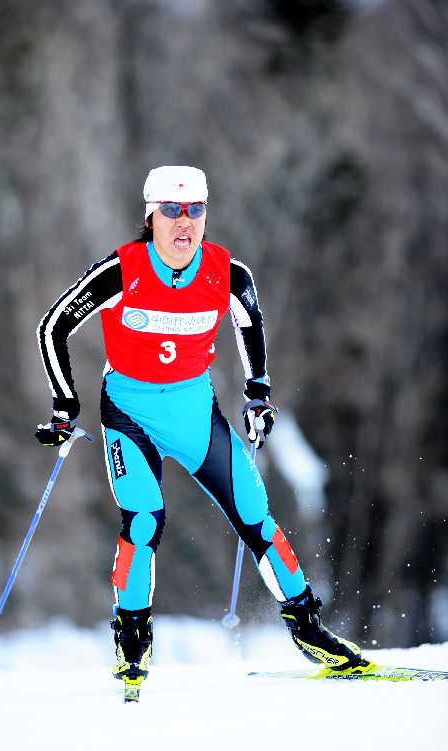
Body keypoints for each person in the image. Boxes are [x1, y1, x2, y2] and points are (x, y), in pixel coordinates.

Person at [36, 165, 362, 687]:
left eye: (195, 210)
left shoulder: (229, 273)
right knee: (143, 521)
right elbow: (53, 326)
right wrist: (63, 405)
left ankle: (308, 629)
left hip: (194, 415)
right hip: (130, 416)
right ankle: (131, 641)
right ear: (151, 216)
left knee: (255, 514)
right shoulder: (120, 271)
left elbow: (249, 323)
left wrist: (258, 393)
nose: (184, 222)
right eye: (170, 210)